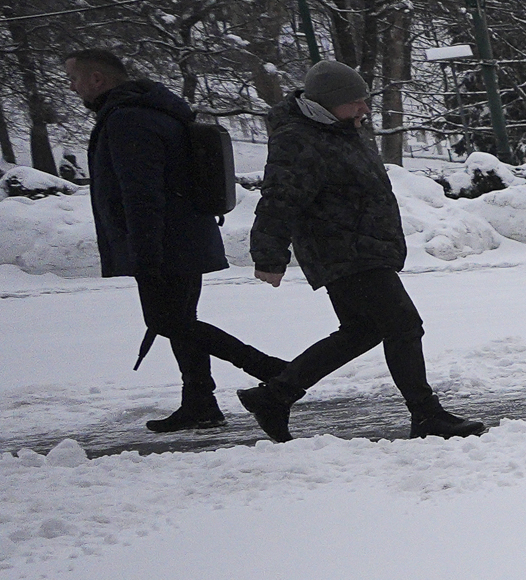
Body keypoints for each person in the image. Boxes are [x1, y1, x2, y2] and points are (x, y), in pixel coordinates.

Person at [237, 60, 485, 441]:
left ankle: (275, 396)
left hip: (363, 246)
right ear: (328, 102)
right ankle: (426, 414)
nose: (364, 109)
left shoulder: (339, 128)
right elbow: (280, 199)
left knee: (362, 331)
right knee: (403, 326)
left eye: (364, 100)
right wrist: (269, 255)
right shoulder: (299, 138)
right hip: (342, 249)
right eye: (355, 102)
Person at [67, 47, 288, 431]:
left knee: (168, 321)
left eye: (74, 79)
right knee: (182, 320)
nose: (72, 88)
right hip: (186, 234)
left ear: (97, 79)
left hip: (162, 241)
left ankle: (271, 369)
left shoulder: (127, 120)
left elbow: (140, 192)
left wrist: (145, 252)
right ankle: (200, 401)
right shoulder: (154, 111)